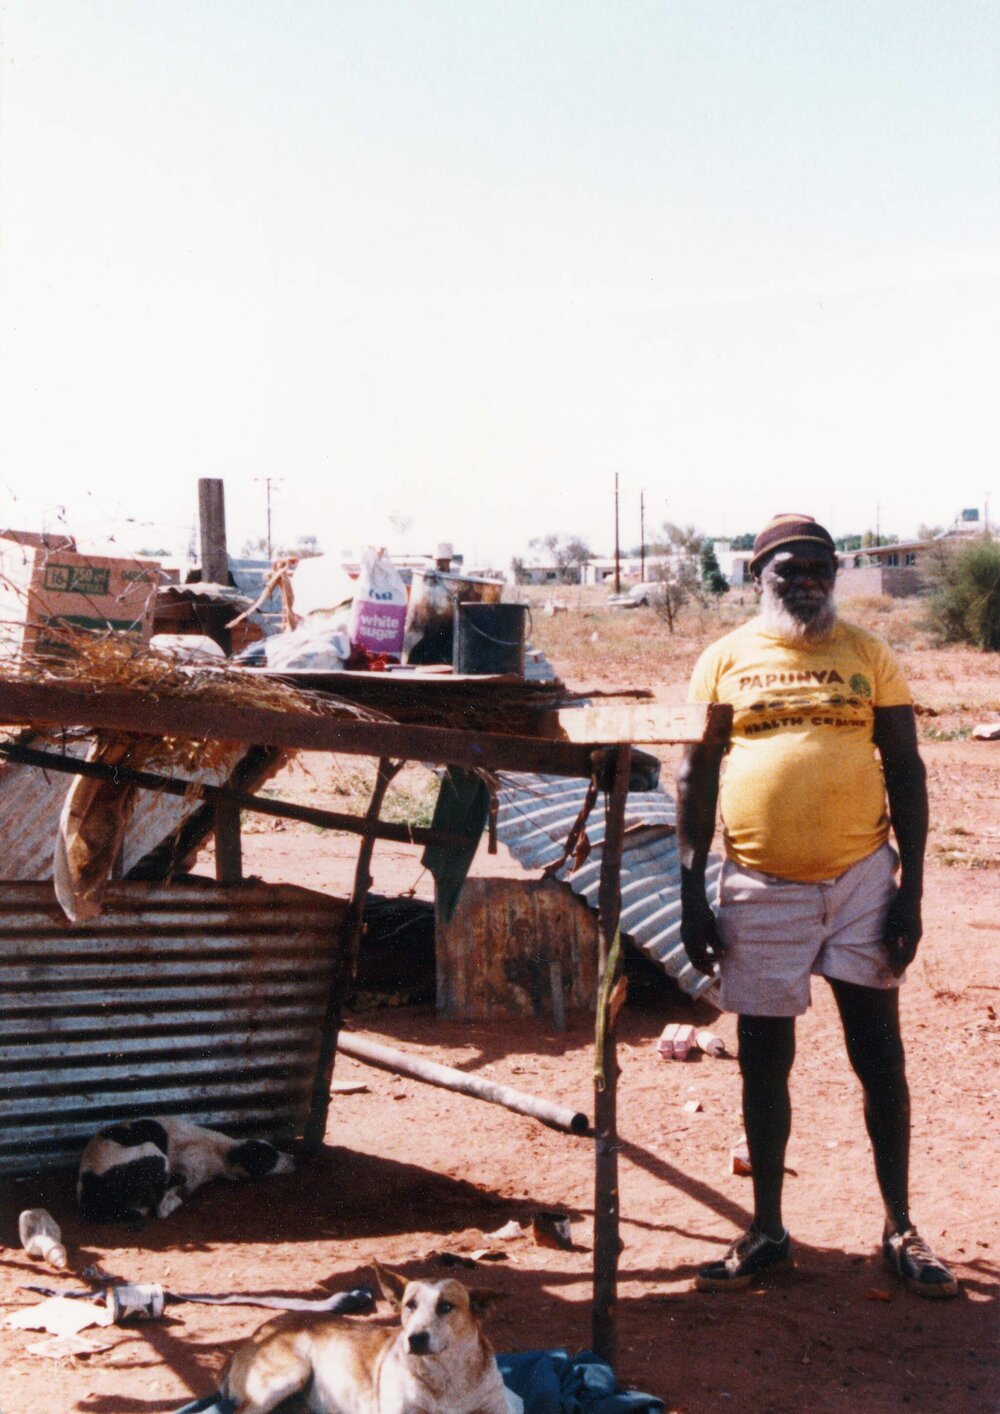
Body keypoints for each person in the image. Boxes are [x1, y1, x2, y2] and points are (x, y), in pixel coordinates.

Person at [676, 513, 957, 1298]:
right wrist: (693, 892)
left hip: (864, 881)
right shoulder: (726, 660)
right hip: (759, 885)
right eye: (786, 571)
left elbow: (906, 772)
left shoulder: (868, 655)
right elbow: (697, 781)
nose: (804, 582)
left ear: (834, 575)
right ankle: (767, 1230)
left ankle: (900, 1227)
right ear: (757, 577)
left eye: (817, 569)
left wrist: (913, 890)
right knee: (766, 1058)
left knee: (880, 1056)